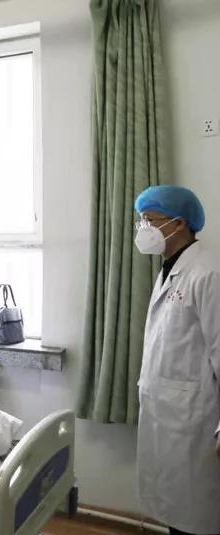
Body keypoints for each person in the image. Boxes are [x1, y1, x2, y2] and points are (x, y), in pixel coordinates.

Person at [134, 185, 220, 535]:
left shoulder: (209, 272)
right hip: (171, 414)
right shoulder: (170, 269)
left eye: (149, 220)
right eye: (141, 221)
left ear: (179, 223)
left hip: (197, 421)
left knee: (196, 517)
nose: (143, 229)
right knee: (178, 513)